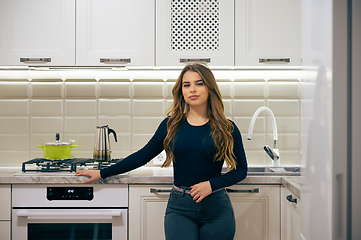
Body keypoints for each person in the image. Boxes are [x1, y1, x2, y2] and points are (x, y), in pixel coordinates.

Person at [76, 62, 248, 240]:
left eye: (199, 83)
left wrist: (211, 185)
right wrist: (103, 172)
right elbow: (143, 155)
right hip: (180, 209)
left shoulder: (227, 128)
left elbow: (241, 170)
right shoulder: (170, 126)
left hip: (217, 209)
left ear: (209, 87)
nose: (192, 90)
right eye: (186, 85)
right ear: (181, 91)